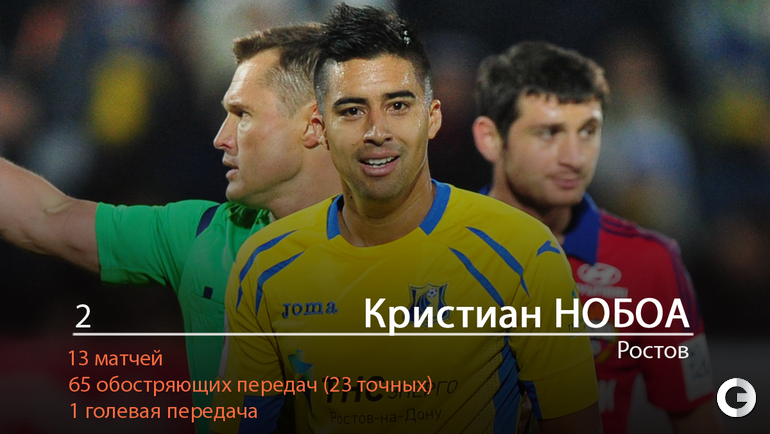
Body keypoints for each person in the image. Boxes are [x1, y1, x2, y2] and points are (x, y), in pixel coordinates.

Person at [212, 5, 601, 434]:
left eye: (397, 105)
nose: (377, 131)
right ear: (320, 128)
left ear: (432, 117)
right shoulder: (265, 265)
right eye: (352, 111)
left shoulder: (521, 251)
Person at [0, 23, 340, 434]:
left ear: (313, 125)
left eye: (242, 115)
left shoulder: (412, 245)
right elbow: (45, 218)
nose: (220, 138)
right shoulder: (201, 235)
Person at [472, 41, 720, 434]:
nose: (575, 157)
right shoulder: (431, 250)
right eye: (549, 133)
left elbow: (697, 417)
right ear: (490, 138)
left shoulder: (650, 263)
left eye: (588, 131)